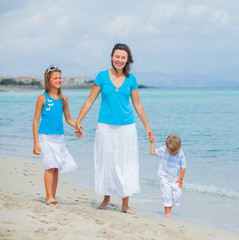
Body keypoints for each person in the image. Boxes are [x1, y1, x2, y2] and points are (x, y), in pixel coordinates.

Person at [75, 43, 154, 213]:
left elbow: (137, 104)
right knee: (106, 162)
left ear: (127, 60)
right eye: (117, 56)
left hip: (127, 128)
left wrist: (147, 126)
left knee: (126, 163)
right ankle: (106, 199)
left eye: (123, 57)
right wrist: (78, 121)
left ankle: (125, 204)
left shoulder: (131, 79)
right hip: (105, 127)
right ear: (111, 57)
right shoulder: (102, 76)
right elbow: (90, 100)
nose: (119, 60)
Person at [33, 65, 78, 205]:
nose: (59, 80)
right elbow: (36, 121)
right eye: (55, 78)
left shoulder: (63, 99)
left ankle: (53, 195)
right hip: (45, 137)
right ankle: (48, 197)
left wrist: (77, 126)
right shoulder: (42, 98)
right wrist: (36, 142)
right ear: (49, 80)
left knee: (56, 167)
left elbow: (68, 119)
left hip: (59, 137)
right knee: (49, 166)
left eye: (60, 78)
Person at [150, 135, 186, 217]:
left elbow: (183, 167)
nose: (174, 154)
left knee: (177, 194)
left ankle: (169, 207)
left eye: (175, 152)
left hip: (175, 179)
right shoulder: (163, 150)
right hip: (164, 178)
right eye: (171, 152)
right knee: (167, 195)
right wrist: (152, 143)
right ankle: (167, 213)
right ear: (167, 148)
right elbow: (153, 152)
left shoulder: (181, 154)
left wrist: (180, 179)